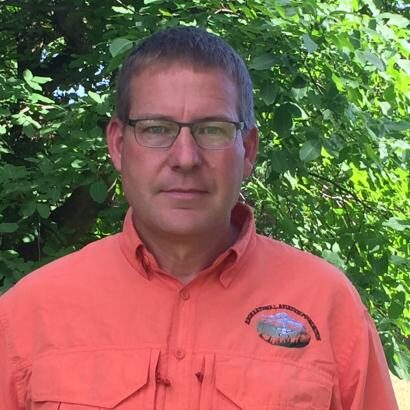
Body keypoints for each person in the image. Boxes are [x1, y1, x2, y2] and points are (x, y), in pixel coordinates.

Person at [0, 27, 398, 410]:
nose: (186, 158)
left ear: (248, 150)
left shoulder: (328, 306)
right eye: (157, 129)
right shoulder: (30, 313)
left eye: (212, 130)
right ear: (118, 145)